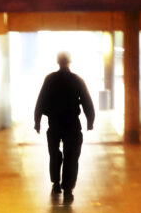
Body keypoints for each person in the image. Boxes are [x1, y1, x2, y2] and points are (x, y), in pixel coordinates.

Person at [34, 52, 95, 203]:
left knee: (54, 154)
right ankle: (68, 188)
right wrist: (90, 120)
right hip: (72, 124)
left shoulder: (50, 79)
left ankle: (56, 183)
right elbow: (87, 100)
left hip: (54, 123)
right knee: (71, 156)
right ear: (69, 62)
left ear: (58, 62)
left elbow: (40, 101)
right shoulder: (76, 80)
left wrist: (37, 121)